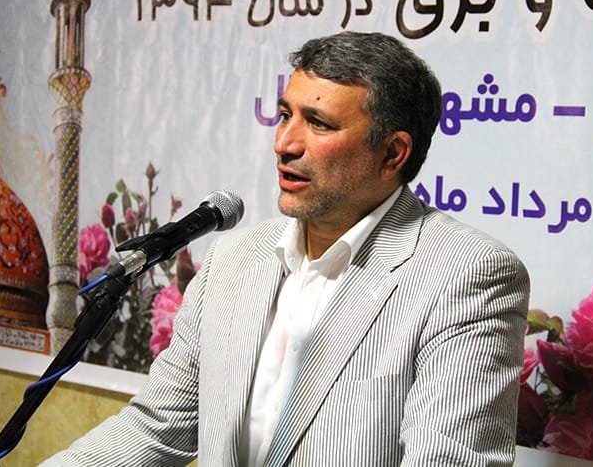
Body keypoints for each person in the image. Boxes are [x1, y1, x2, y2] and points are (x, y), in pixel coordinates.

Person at [42, 31, 529, 466]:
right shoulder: (233, 261)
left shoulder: (468, 277)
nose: (284, 143)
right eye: (284, 116)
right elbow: (156, 427)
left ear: (392, 153)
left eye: (318, 123)